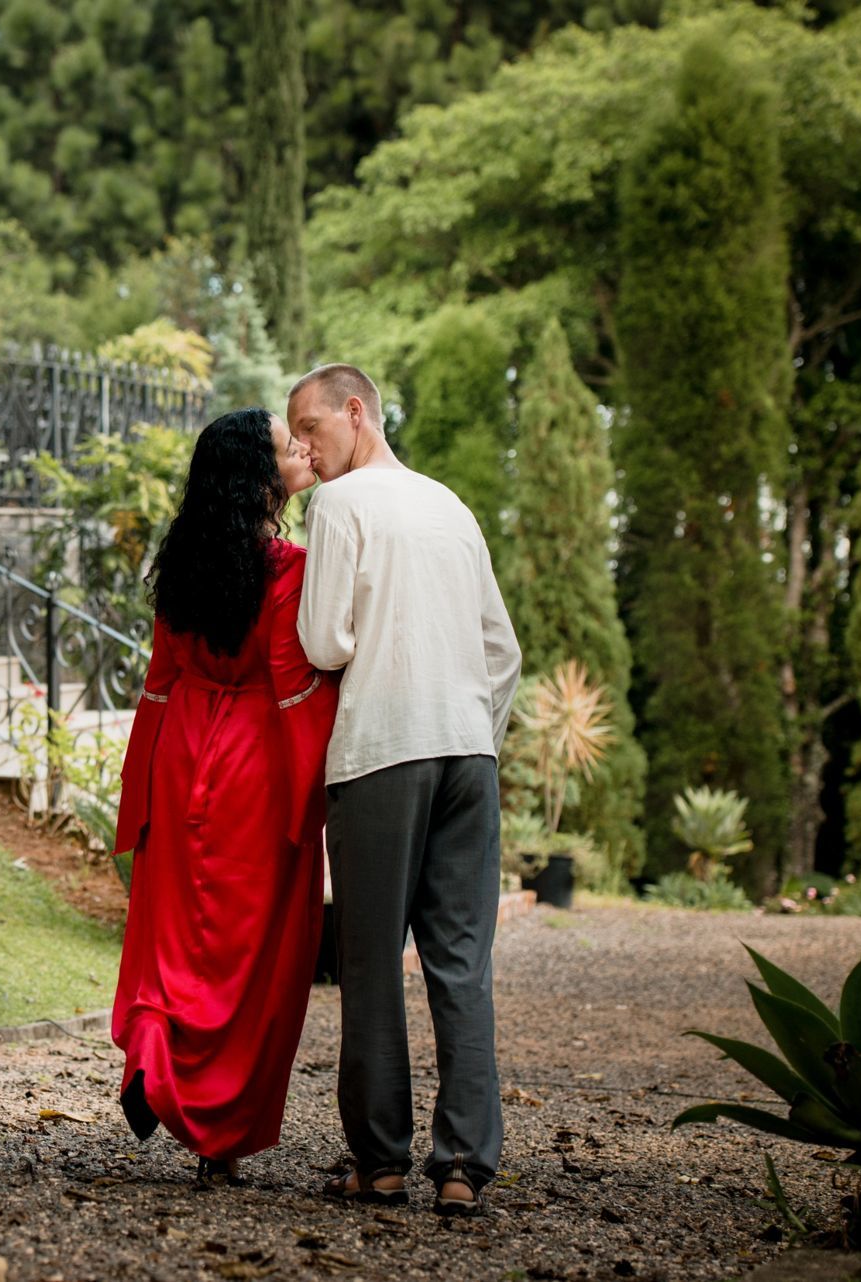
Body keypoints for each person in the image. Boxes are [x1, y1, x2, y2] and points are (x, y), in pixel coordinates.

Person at [290, 364, 521, 1217]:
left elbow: (323, 641)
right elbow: (504, 652)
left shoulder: (341, 508)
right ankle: (463, 1165)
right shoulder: (452, 507)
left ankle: (381, 1162)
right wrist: (474, 735)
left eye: (311, 429)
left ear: (357, 413)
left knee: (371, 963)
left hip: (382, 753)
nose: (304, 451)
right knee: (462, 964)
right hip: (469, 755)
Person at [109, 406, 340, 1184]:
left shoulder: (180, 564)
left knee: (174, 930)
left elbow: (160, 679)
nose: (302, 451)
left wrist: (139, 792)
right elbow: (294, 680)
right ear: (261, 477)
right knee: (248, 948)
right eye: (288, 446)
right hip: (252, 760)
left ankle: (151, 1053)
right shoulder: (289, 568)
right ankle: (219, 1136)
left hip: (180, 756)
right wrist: (318, 789)